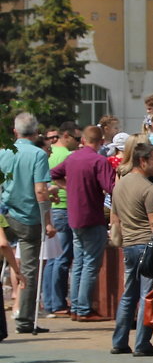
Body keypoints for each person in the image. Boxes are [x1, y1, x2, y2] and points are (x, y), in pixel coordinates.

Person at [49, 125, 115, 321]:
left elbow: (53, 173)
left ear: (84, 140)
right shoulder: (98, 160)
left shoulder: (73, 158)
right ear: (101, 142)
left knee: (79, 262)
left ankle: (77, 307)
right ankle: (84, 308)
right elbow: (110, 187)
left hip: (74, 216)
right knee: (90, 264)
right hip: (92, 216)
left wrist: (68, 186)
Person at [0, 112, 57, 335]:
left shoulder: (4, 152)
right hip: (29, 216)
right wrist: (47, 221)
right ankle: (25, 319)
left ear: (15, 132)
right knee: (30, 268)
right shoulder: (37, 155)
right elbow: (40, 191)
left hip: (6, 214)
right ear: (35, 132)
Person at [110, 142, 153, 356]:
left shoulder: (120, 185)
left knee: (128, 294)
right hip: (146, 244)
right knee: (147, 294)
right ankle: (142, 343)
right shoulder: (149, 189)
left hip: (129, 244)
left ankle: (119, 340)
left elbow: (115, 218)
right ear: (143, 161)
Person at [42, 122, 80, 316]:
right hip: (63, 208)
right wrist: (68, 188)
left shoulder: (50, 154)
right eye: (77, 138)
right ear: (67, 136)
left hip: (54, 209)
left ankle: (49, 300)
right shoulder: (65, 156)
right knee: (62, 258)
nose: (79, 143)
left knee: (53, 258)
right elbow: (54, 177)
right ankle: (57, 303)